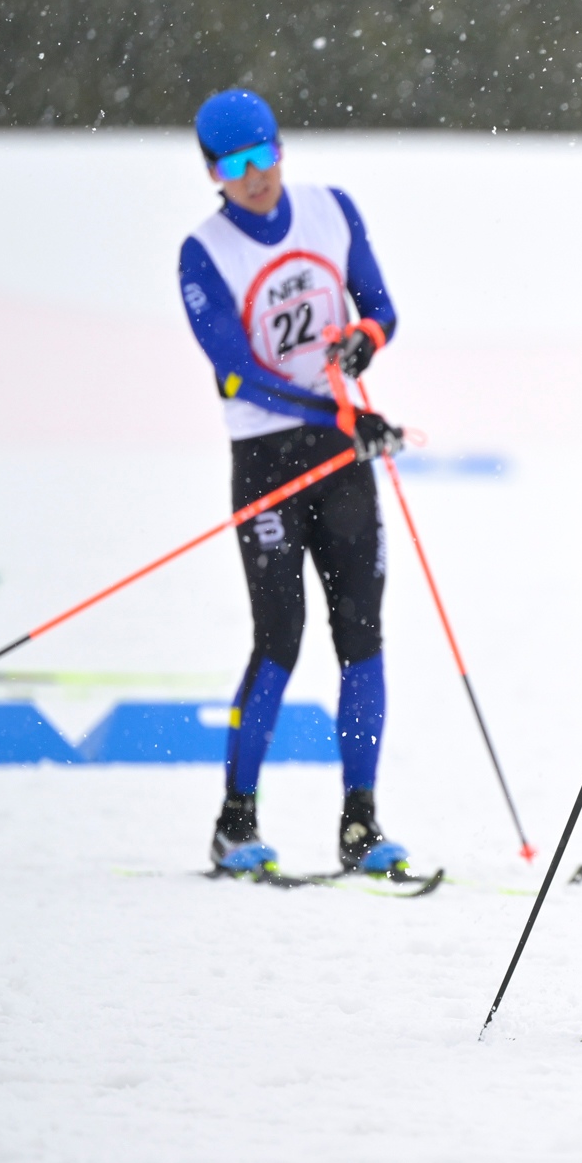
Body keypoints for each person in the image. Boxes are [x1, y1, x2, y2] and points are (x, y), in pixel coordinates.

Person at [176, 89, 411, 877]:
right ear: (212, 173)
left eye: (264, 155)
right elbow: (238, 372)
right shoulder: (204, 253)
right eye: (233, 165)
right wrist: (336, 413)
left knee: (362, 633)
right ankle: (235, 822)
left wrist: (364, 340)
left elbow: (381, 308)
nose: (255, 176)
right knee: (280, 634)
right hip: (269, 457)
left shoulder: (330, 210)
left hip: (341, 452)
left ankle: (360, 823)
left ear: (281, 148)